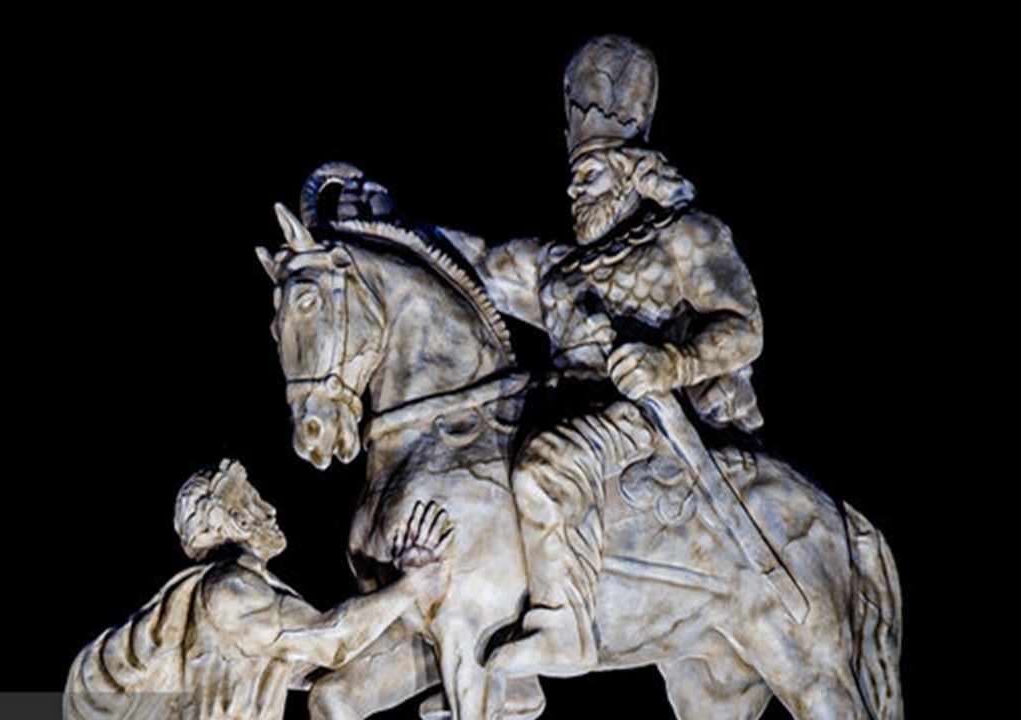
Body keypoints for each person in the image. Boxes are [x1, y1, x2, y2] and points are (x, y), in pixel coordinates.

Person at [454, 35, 766, 676]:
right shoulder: (556, 264)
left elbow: (744, 329)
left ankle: (563, 629)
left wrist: (670, 363)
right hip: (557, 403)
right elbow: (474, 262)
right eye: (572, 179)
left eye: (589, 176)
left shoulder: (685, 236)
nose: (574, 192)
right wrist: (387, 224)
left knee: (544, 468)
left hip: (640, 412)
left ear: (632, 174)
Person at [63, 459, 453, 720]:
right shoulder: (229, 591)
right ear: (231, 518)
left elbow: (329, 668)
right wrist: (413, 583)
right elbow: (332, 640)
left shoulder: (241, 593)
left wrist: (438, 659)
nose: (269, 510)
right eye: (250, 499)